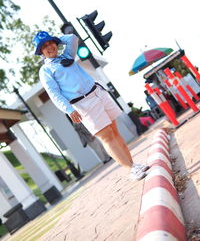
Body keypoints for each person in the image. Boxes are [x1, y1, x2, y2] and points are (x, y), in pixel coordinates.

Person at [33, 31, 149, 181]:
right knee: (107, 137)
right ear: (40, 52)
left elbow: (73, 38)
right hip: (83, 104)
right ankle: (131, 170)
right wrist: (68, 109)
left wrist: (56, 38)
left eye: (51, 43)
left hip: (98, 94)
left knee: (115, 132)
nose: (50, 47)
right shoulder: (46, 70)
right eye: (44, 46)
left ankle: (134, 165)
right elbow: (54, 93)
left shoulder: (67, 55)